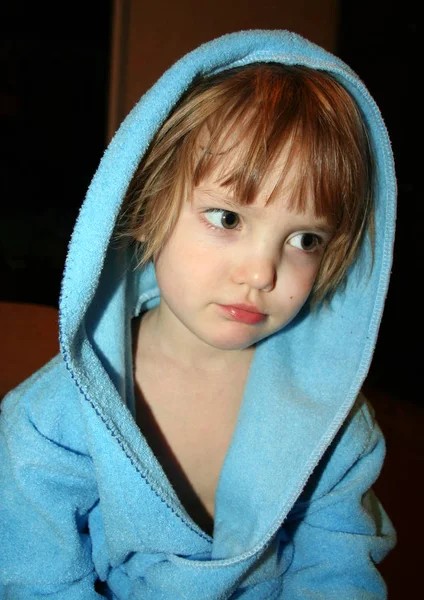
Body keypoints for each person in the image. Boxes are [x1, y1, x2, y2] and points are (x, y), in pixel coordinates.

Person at [0, 30, 396, 598]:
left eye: (305, 238)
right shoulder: (51, 420)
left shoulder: (333, 422)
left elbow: (339, 569)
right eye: (228, 219)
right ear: (147, 199)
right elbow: (36, 578)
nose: (261, 273)